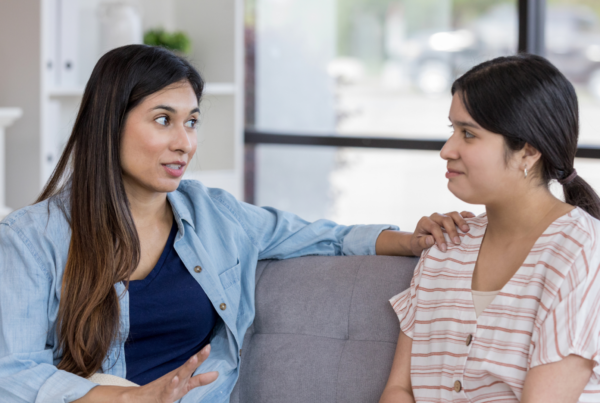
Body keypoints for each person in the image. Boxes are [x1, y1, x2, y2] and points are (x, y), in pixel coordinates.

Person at [0, 44, 471, 403]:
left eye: (193, 122)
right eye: (163, 120)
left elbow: (325, 236)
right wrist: (129, 397)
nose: (185, 142)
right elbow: (12, 371)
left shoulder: (215, 215)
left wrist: (412, 239)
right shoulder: (30, 239)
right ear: (110, 124)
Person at [380, 53, 600, 403]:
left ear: (528, 152)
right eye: (451, 129)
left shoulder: (582, 253)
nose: (446, 150)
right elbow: (399, 389)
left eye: (468, 134)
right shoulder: (446, 245)